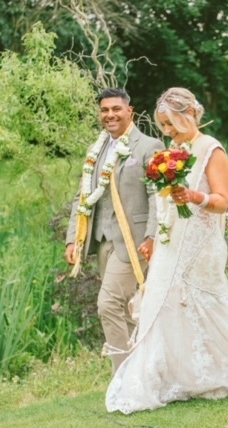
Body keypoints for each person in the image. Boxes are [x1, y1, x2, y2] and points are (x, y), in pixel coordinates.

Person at [106, 88, 228, 414]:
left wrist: (195, 198)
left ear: (189, 115)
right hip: (173, 240)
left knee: (203, 301)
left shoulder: (212, 150)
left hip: (200, 243)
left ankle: (226, 368)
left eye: (171, 124)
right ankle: (176, 376)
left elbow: (222, 201)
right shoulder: (172, 150)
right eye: (163, 126)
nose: (167, 132)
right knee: (164, 301)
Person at [65, 88, 164, 373]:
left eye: (116, 109)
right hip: (101, 240)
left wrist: (152, 236)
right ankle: (150, 366)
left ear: (129, 111)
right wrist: (74, 239)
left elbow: (158, 194)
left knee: (107, 304)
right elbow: (81, 196)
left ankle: (124, 376)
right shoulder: (96, 150)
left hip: (135, 240)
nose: (110, 114)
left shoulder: (149, 146)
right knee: (122, 309)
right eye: (105, 110)